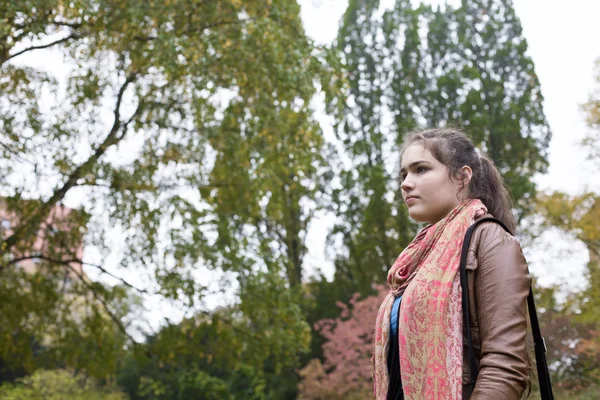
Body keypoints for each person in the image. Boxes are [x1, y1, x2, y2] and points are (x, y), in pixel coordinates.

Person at [372, 128, 531, 399]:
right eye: (404, 174)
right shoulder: (417, 259)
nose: (406, 183)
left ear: (462, 176)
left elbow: (506, 365)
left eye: (421, 169)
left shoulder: (490, 240)